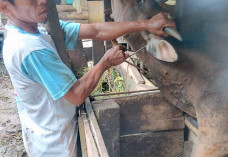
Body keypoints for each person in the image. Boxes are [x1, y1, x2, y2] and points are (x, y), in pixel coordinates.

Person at [0, 0, 176, 156]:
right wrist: (105, 62)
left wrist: (146, 24)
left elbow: (97, 30)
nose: (43, 1)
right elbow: (76, 94)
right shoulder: (29, 49)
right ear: (4, 6)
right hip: (55, 143)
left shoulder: (41, 28)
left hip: (54, 123)